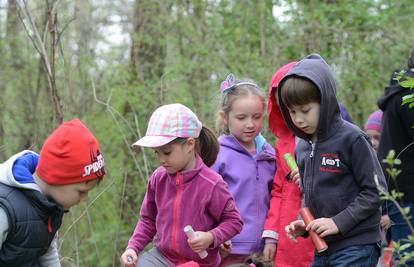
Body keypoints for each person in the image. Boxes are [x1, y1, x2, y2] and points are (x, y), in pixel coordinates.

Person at [279, 54, 387, 266]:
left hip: (358, 245)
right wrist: (304, 223)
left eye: (305, 110)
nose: (299, 119)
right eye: (292, 111)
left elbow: (376, 191)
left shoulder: (352, 139)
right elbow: (309, 193)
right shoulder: (302, 146)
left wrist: (338, 222)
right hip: (324, 247)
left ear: (325, 100)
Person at [120, 103, 243, 267]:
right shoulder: (158, 178)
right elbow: (148, 219)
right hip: (162, 257)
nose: (161, 160)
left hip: (200, 261)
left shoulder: (212, 183)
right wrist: (133, 248)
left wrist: (211, 237)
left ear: (190, 145)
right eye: (157, 153)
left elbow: (234, 221)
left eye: (167, 152)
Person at [0, 118, 106, 267]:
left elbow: (47, 251)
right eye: (81, 192)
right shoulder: (5, 207)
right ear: (58, 178)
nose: (84, 198)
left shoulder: (49, 206)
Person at [211, 74, 276, 266]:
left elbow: (277, 199)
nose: (250, 124)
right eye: (241, 118)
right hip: (227, 248)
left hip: (262, 252)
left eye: (256, 117)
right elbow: (206, 202)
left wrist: (272, 237)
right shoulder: (218, 155)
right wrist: (216, 236)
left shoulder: (270, 155)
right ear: (225, 118)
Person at [262, 62, 314, 267]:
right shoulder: (282, 144)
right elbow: (278, 190)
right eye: (282, 107)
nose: (291, 114)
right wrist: (271, 235)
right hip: (288, 235)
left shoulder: (330, 139)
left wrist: (310, 176)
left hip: (319, 229)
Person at [377, 49, 414, 265]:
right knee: (408, 257)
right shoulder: (407, 95)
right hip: (407, 193)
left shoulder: (399, 91)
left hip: (398, 190)